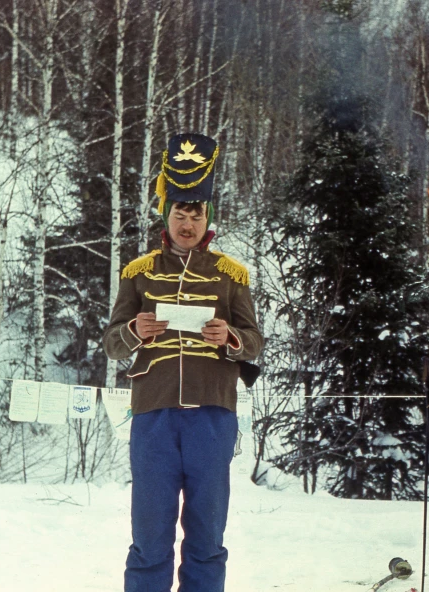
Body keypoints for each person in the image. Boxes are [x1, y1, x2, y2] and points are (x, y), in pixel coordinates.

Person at [102, 132, 263, 592]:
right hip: (152, 416)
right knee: (150, 536)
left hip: (212, 417)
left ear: (206, 218)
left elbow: (254, 342)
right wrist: (136, 331)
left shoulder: (231, 276)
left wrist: (230, 337)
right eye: (179, 214)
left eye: (195, 215)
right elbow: (112, 343)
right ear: (166, 216)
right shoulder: (139, 273)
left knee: (207, 535)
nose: (187, 223)